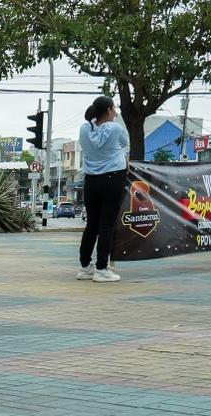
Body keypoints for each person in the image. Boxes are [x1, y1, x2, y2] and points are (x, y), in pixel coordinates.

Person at [77, 95, 130, 283]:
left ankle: (85, 267)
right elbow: (124, 143)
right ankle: (101, 269)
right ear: (108, 110)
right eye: (114, 108)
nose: (115, 112)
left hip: (91, 181)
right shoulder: (115, 128)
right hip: (112, 179)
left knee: (91, 225)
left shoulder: (84, 129)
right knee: (106, 224)